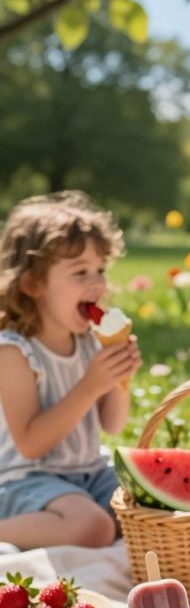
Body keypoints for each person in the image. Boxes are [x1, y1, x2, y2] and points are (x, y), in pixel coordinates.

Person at [0, 191, 141, 549]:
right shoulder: (14, 351)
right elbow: (31, 444)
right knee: (92, 528)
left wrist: (120, 378)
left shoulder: (92, 341)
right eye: (80, 272)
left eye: (100, 270)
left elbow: (113, 424)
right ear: (32, 284)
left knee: (145, 509)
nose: (97, 283)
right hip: (28, 479)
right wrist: (91, 386)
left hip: (90, 472)